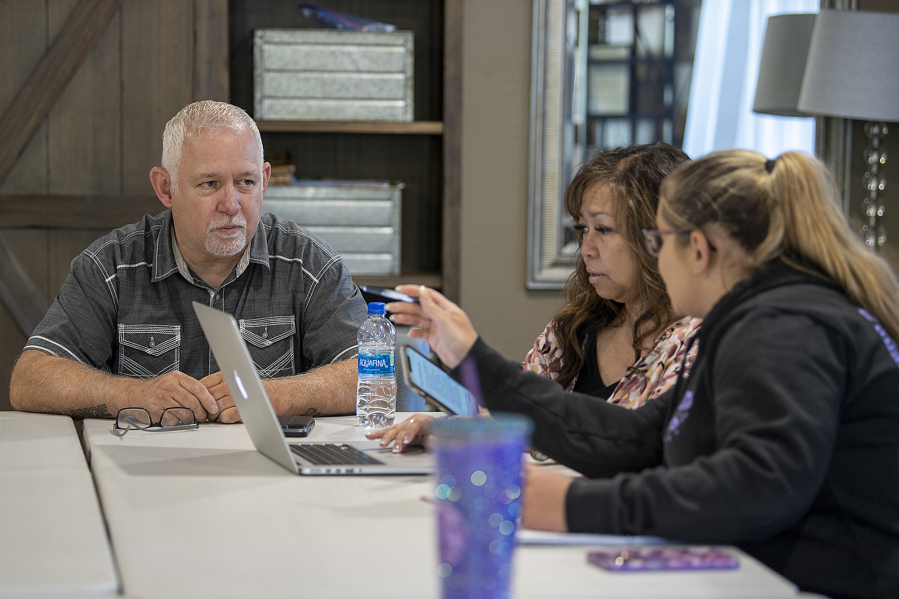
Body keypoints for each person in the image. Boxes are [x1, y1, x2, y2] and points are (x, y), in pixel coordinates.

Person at [385, 150, 899, 599]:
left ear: (697, 250)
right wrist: (471, 356)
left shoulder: (783, 327)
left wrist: (570, 504)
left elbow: (754, 487)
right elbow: (633, 440)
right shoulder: (750, 321)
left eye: (659, 241)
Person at [10, 101, 367, 424]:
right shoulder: (112, 266)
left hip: (268, 478)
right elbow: (30, 379)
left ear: (266, 180)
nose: (231, 204)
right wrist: (134, 396)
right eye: (210, 184)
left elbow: (373, 378)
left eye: (246, 182)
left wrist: (272, 396)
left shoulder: (309, 264)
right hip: (146, 478)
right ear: (165, 188)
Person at [368, 143, 700, 452]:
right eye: (583, 229)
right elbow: (519, 415)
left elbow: (634, 449)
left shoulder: (695, 342)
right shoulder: (576, 326)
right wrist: (445, 428)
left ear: (658, 237)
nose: (586, 249)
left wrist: (473, 355)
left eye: (603, 229)